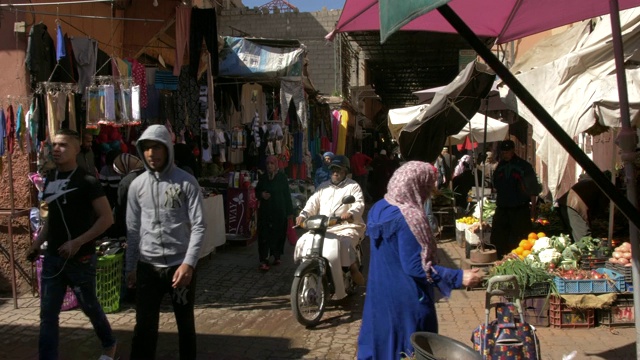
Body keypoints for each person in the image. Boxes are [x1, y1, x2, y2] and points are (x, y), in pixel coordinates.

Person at [357, 161, 483, 359]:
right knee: (407, 351)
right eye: (428, 186)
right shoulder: (408, 218)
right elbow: (415, 266)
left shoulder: (378, 208)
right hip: (406, 300)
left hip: (379, 296)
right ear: (417, 186)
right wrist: (459, 277)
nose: (430, 192)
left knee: (383, 346)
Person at [28, 128, 117, 360]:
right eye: (54, 145)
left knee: (90, 307)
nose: (57, 149)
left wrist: (78, 242)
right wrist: (37, 244)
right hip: (53, 260)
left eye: (63, 145)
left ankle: (109, 344)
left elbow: (107, 219)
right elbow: (51, 220)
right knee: (48, 314)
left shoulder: (87, 181)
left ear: (77, 149)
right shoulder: (50, 180)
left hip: (81, 259)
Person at [126, 124, 206, 360]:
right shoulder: (136, 186)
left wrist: (189, 264)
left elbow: (199, 226)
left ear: (168, 149)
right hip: (147, 268)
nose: (152, 153)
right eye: (147, 148)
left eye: (157, 147)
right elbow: (132, 230)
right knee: (144, 328)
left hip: (179, 268)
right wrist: (130, 267)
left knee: (185, 326)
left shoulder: (187, 183)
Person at [296, 155, 366, 285]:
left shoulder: (353, 186)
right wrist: (303, 215)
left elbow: (359, 204)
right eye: (333, 169)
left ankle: (353, 269)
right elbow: (312, 202)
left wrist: (350, 213)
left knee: (344, 243)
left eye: (338, 170)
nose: (335, 172)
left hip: (346, 226)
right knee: (304, 241)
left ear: (345, 171)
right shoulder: (323, 186)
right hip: (323, 226)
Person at [491, 140, 541, 258]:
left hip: (519, 208)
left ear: (513, 150)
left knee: (519, 238)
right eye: (503, 152)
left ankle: (518, 259)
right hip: (503, 207)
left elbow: (533, 188)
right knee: (499, 237)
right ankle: (501, 258)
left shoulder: (523, 166)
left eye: (507, 152)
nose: (505, 154)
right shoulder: (500, 166)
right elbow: (495, 185)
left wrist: (533, 208)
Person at [255, 155, 294, 271]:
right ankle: (264, 260)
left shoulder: (282, 178)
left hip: (279, 211)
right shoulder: (263, 178)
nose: (269, 166)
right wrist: (262, 195)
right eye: (267, 164)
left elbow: (287, 195)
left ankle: (276, 255)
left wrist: (289, 212)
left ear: (276, 165)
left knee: (278, 235)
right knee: (264, 235)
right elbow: (257, 191)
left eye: (272, 164)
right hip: (266, 212)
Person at [557, 174, 610, 242]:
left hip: (567, 202)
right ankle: (586, 251)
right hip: (573, 204)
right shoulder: (604, 186)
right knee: (583, 237)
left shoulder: (592, 181)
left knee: (575, 233)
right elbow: (601, 205)